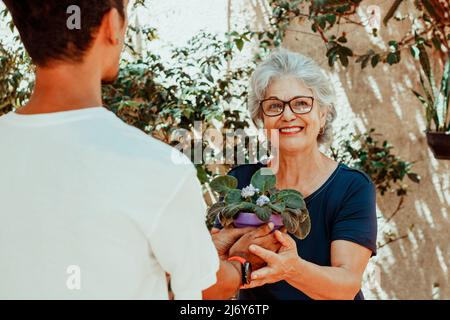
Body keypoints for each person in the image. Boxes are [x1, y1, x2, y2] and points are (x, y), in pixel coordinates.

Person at [0, 0, 276, 300]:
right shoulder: (158, 167)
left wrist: (205, 252)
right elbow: (203, 289)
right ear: (111, 25)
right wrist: (242, 265)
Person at [214, 49, 378, 300]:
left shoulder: (351, 187)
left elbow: (346, 285)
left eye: (301, 103)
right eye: (275, 106)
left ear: (322, 114)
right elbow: (215, 271)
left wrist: (291, 269)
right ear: (262, 120)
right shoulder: (241, 182)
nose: (288, 115)